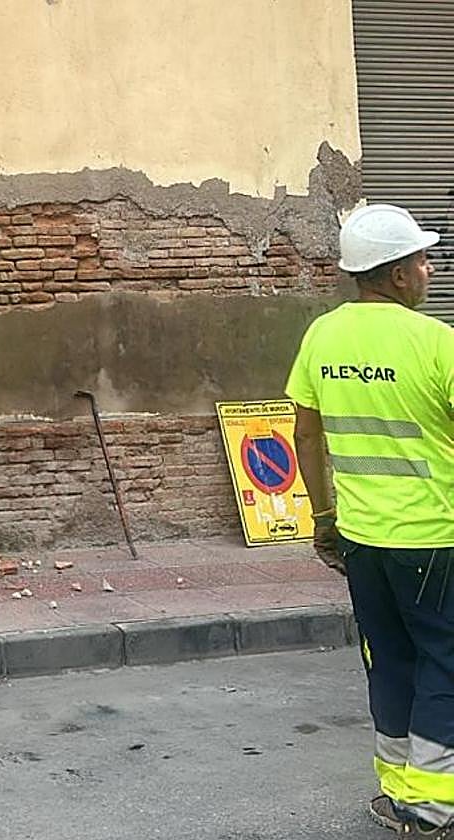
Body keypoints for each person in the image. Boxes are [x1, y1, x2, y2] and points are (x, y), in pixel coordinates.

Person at [286, 203, 454, 837]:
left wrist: (322, 516)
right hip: (434, 537)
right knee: (444, 660)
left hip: (359, 537)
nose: (429, 269)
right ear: (395, 273)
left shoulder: (322, 335)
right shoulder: (436, 342)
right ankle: (434, 805)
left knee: (388, 659)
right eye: (420, 259)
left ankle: (396, 789)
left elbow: (304, 431)